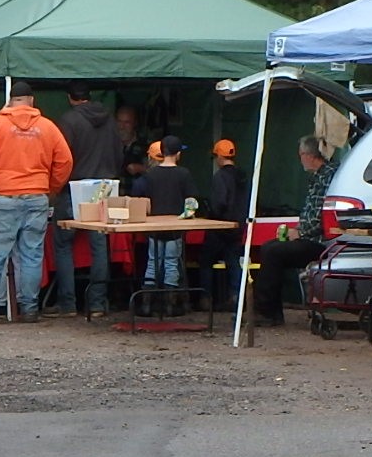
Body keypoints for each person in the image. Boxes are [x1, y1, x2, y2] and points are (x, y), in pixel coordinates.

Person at [0, 80, 74, 324]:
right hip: (37, 198)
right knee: (32, 255)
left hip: (3, 198)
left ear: (11, 101)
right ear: (32, 101)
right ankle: (30, 308)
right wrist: (51, 187)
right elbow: (65, 161)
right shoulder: (47, 127)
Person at [52, 82, 122, 320]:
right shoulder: (110, 121)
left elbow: (61, 158)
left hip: (73, 187)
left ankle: (68, 304)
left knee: (63, 246)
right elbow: (119, 153)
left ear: (70, 98)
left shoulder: (69, 120)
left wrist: (56, 186)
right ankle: (98, 304)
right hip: (104, 187)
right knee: (100, 246)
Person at [253, 135, 336, 328]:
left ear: (308, 155)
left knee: (272, 252)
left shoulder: (326, 177)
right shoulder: (319, 177)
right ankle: (270, 311)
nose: (300, 160)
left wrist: (300, 232)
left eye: (301, 155)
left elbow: (320, 215)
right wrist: (298, 229)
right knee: (269, 248)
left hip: (320, 241)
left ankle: (267, 312)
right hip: (310, 236)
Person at [141, 135, 198, 314]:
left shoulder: (151, 175)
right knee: (172, 262)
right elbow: (191, 201)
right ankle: (170, 305)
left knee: (152, 262)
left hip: (154, 227)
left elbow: (146, 203)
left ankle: (147, 304)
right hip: (175, 227)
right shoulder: (184, 174)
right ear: (178, 153)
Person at [197, 139, 247, 309]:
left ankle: (206, 298)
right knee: (234, 262)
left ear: (219, 156)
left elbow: (219, 203)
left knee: (205, 261)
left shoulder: (220, 177)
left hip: (220, 226)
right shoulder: (242, 176)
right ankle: (236, 297)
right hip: (238, 226)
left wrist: (211, 215)